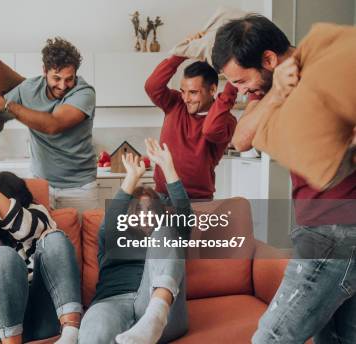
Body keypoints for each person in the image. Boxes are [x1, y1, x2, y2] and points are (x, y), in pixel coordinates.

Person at [212, 14, 356, 343]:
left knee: (271, 337)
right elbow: (241, 138)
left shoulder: (326, 70)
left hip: (335, 229)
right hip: (319, 225)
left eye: (241, 81)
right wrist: (275, 94)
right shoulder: (269, 86)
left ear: (268, 59)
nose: (242, 90)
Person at [79, 138, 192, 344]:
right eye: (139, 210)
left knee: (166, 232)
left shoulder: (167, 235)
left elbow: (184, 216)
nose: (146, 215)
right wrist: (132, 177)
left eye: (151, 210)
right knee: (94, 332)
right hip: (111, 303)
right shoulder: (114, 235)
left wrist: (168, 168)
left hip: (160, 308)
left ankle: (154, 317)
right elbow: (113, 218)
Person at [0, 170, 82, 344]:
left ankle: (70, 334)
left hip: (43, 318)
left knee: (55, 237)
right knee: (3, 255)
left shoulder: (37, 214)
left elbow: (25, 226)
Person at [0, 38, 97, 213]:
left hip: (80, 188)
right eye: (56, 78)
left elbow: (53, 125)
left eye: (69, 79)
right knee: (42, 239)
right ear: (44, 71)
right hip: (41, 184)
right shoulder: (28, 88)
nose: (63, 86)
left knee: (85, 240)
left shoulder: (84, 93)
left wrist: (6, 105)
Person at [145, 32, 237, 200]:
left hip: (196, 200)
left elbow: (211, 129)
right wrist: (181, 53)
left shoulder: (226, 120)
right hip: (162, 195)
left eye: (193, 93)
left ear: (213, 89)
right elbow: (152, 86)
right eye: (183, 91)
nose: (186, 98)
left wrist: (233, 82)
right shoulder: (175, 103)